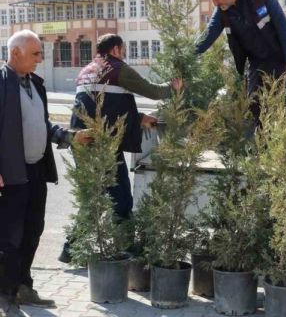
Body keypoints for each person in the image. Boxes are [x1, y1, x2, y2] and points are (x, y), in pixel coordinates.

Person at [59, 34, 182, 263]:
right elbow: (153, 91)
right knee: (121, 195)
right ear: (116, 49)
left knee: (91, 195)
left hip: (81, 140)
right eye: (123, 50)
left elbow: (105, 106)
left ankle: (70, 249)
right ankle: (125, 246)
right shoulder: (117, 68)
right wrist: (173, 87)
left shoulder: (86, 70)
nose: (123, 54)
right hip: (103, 143)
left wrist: (139, 118)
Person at [0, 30, 91, 316]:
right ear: (15, 53)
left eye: (41, 53)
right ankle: (5, 294)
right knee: (9, 237)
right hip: (11, 173)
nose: (41, 59)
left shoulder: (34, 84)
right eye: (36, 54)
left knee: (33, 230)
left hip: (35, 170)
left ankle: (24, 286)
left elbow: (42, 123)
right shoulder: (2, 83)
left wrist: (67, 136)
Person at [195, 0, 286, 99]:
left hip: (278, 57)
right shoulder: (222, 12)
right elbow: (209, 33)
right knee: (253, 103)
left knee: (276, 103)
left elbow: (282, 26)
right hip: (256, 62)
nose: (215, 3)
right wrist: (188, 54)